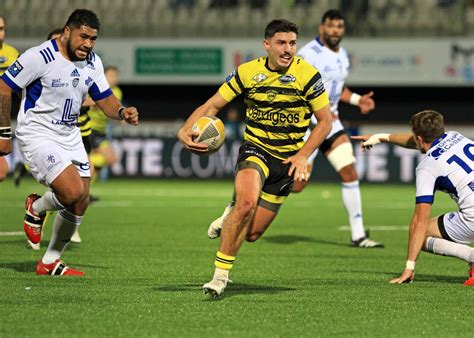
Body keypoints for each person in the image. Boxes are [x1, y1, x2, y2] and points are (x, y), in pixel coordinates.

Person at [178, 19, 332, 298]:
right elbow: (212, 105)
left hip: (288, 161)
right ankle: (220, 276)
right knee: (247, 203)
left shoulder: (308, 75)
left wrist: (302, 155)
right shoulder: (247, 73)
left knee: (251, 233)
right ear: (267, 45)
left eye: (292, 43)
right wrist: (186, 129)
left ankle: (230, 212)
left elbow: (325, 122)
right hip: (257, 149)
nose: (288, 49)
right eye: (281, 43)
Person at [0, 9, 139, 276]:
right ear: (67, 31)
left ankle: (50, 261)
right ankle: (36, 207)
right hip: (38, 134)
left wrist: (121, 112)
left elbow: (104, 97)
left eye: (93, 38)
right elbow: (4, 88)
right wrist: (4, 133)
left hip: (70, 134)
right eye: (83, 36)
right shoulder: (39, 56)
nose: (88, 43)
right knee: (72, 191)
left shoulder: (92, 62)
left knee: (81, 201)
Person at [352, 110, 474, 286]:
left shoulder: (427, 167)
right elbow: (420, 143)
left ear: (419, 138)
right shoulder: (456, 136)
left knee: (419, 234)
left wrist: (409, 266)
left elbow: (419, 220)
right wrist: (380, 137)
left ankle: (471, 256)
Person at [294, 9, 383, 248]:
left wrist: (357, 100)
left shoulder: (343, 54)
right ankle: (250, 191)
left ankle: (358, 235)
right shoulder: (307, 54)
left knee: (349, 172)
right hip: (308, 125)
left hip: (332, 124)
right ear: (322, 28)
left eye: (340, 27)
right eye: (331, 26)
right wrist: (317, 111)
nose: (335, 31)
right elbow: (295, 88)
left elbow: (337, 88)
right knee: (296, 185)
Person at [88, 65, 121, 182]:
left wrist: (121, 117)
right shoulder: (94, 87)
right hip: (90, 128)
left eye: (115, 76)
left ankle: (86, 189)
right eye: (111, 75)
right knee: (108, 158)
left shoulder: (117, 92)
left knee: (110, 159)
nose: (114, 78)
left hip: (101, 131)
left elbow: (113, 108)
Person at [0, 16, 19, 182]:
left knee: (1, 172)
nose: (0, 33)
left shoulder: (12, 54)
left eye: (1, 29)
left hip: (2, 117)